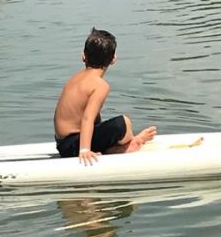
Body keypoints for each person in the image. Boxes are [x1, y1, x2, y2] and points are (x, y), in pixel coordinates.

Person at [53, 28, 157, 165]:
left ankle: (117, 147)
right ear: (113, 59)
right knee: (123, 123)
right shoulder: (100, 86)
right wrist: (84, 150)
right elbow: (87, 118)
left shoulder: (76, 77)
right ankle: (128, 145)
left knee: (98, 118)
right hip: (74, 146)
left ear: (83, 56)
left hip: (63, 143)